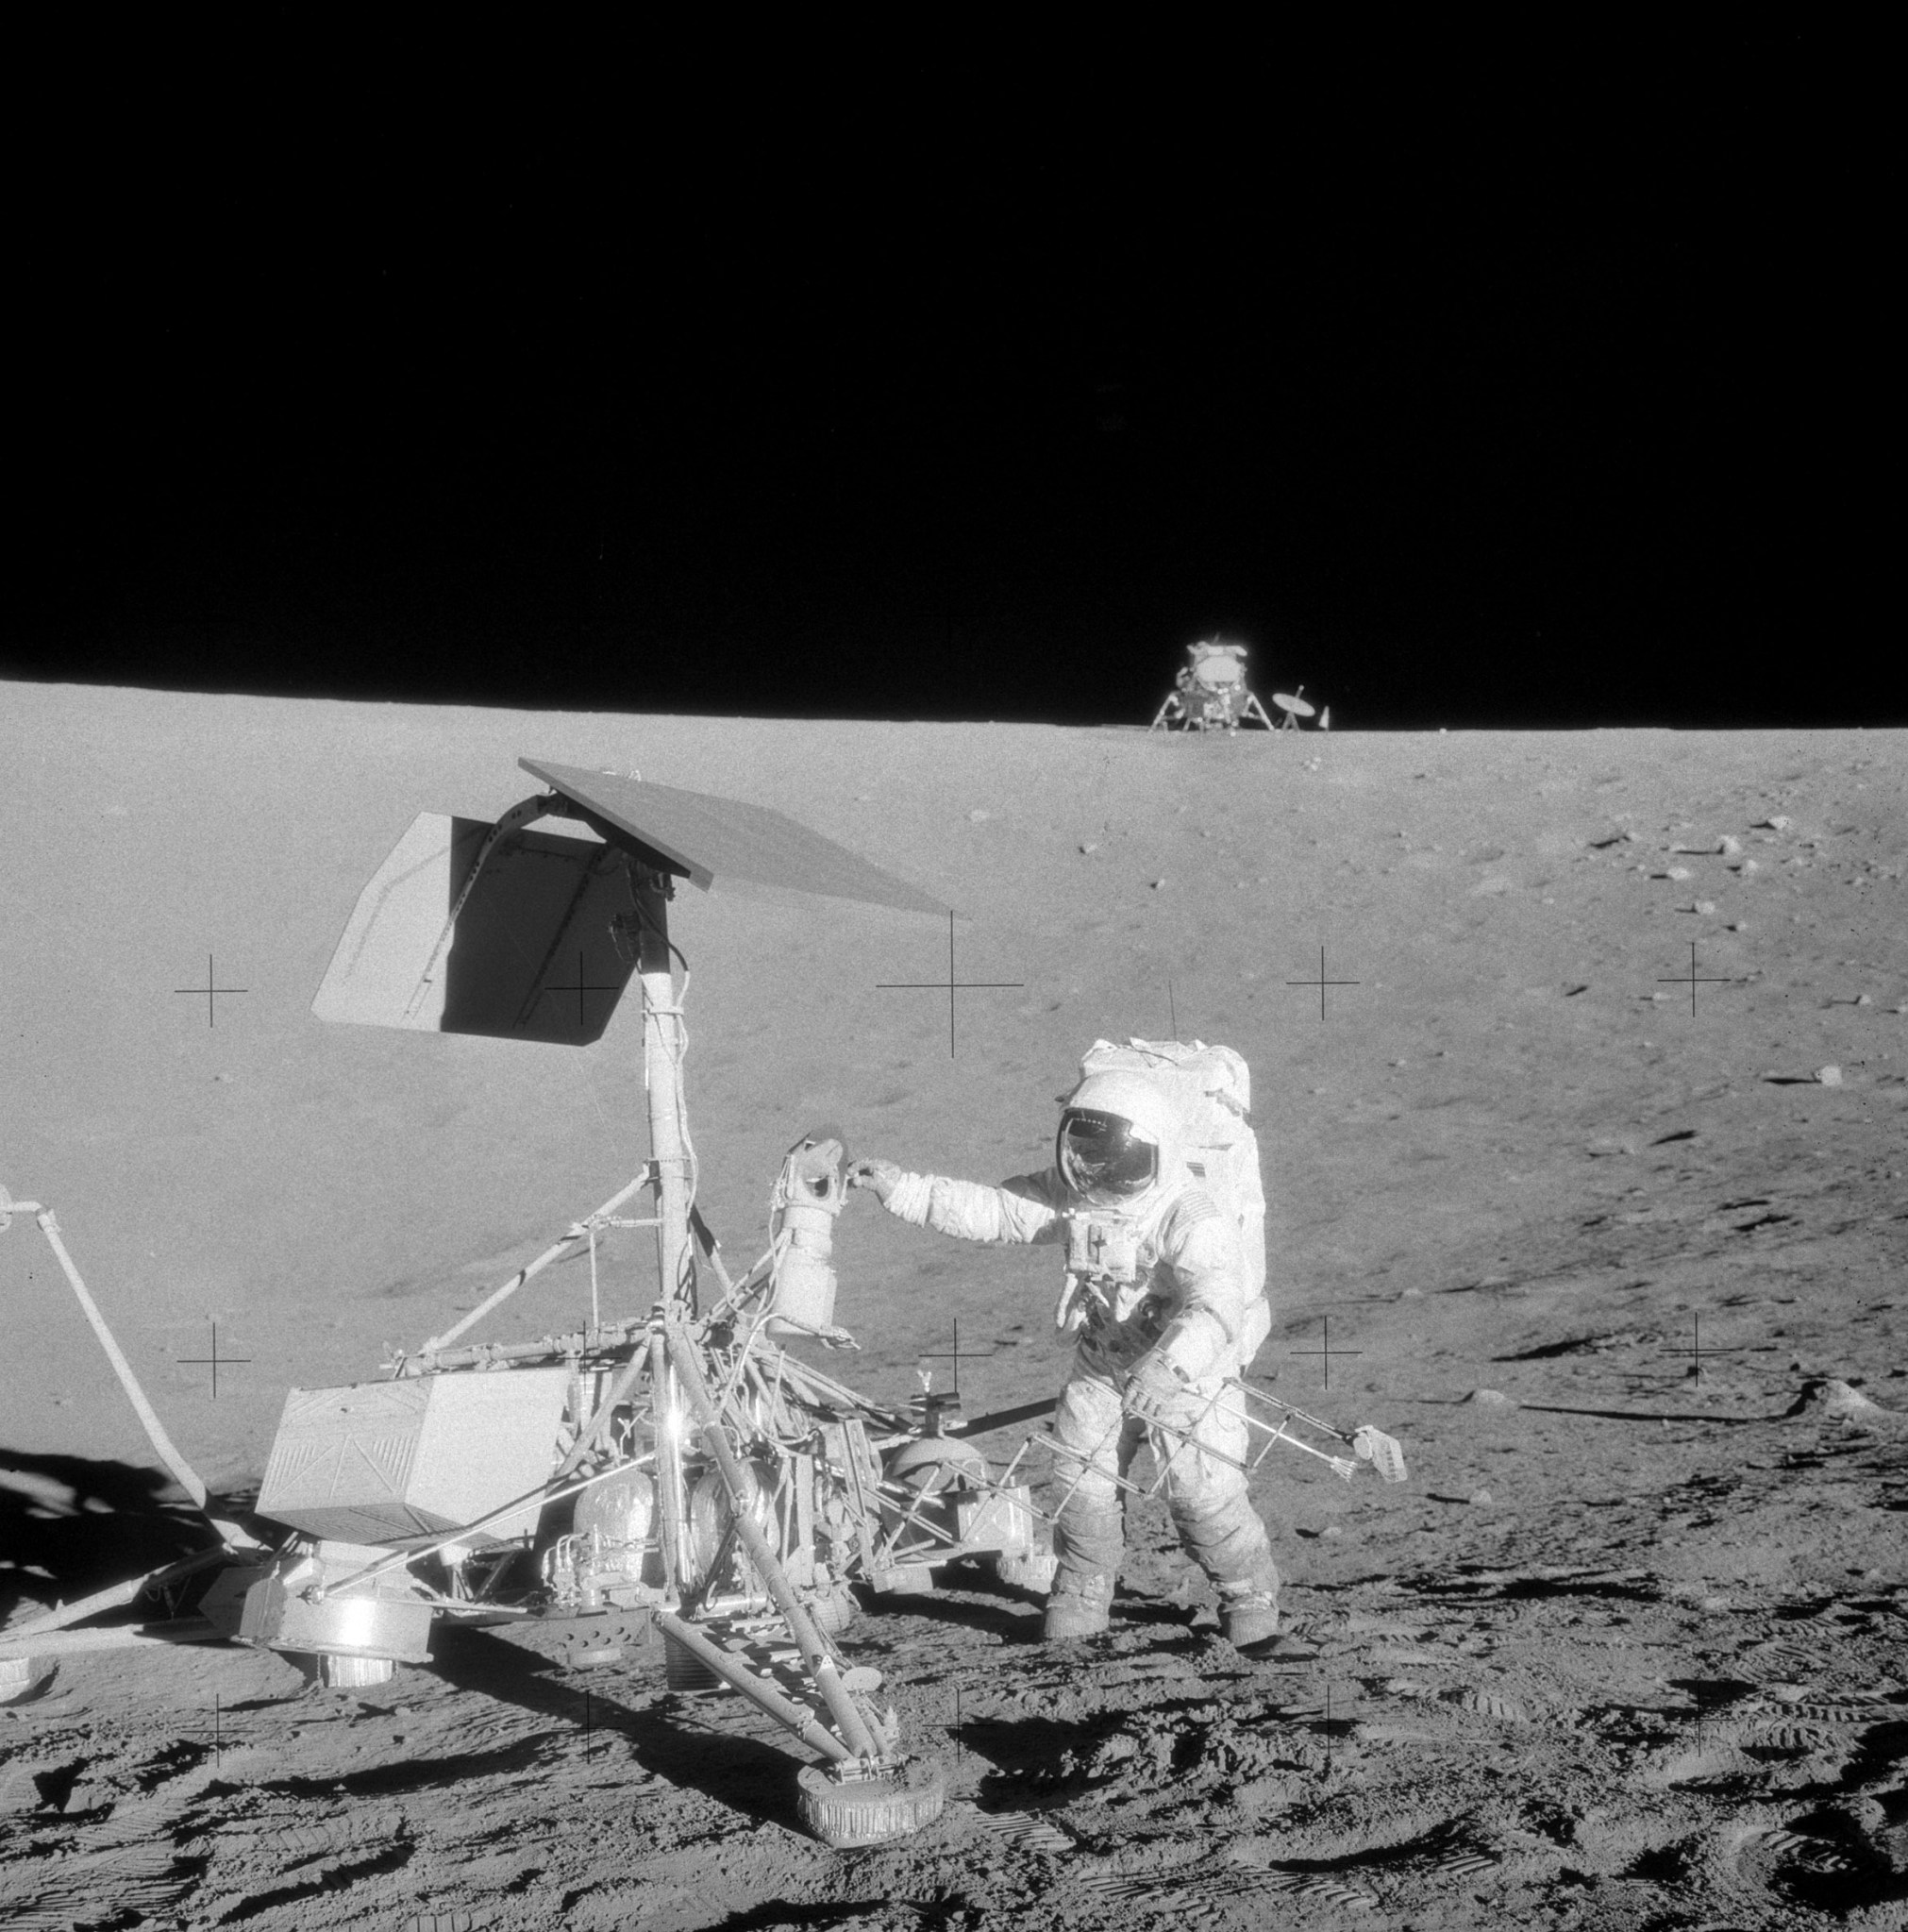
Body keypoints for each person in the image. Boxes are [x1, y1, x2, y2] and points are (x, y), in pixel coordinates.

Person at [847, 1067, 1295, 1656]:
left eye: (1119, 1159)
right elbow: (996, 1210)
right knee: (1081, 1485)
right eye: (1088, 1153)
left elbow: (1217, 1304)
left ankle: (1248, 1598)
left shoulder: (1189, 1215)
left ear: (1157, 1150)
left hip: (1188, 1376)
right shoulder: (1075, 1195)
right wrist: (901, 1188)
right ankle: (1082, 1589)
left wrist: (1170, 1367)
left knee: (1201, 1494)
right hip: (1104, 1362)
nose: (1101, 1171)